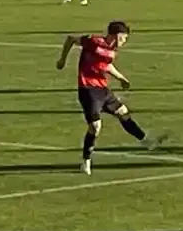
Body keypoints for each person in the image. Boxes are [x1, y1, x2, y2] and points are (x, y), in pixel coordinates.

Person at [56, 21, 160, 174]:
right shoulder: (94, 41)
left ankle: (145, 141)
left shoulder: (111, 51)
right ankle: (86, 161)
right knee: (95, 126)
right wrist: (62, 60)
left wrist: (121, 78)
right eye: (124, 38)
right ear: (117, 35)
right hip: (88, 90)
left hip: (102, 90)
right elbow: (71, 39)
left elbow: (106, 66)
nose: (124, 41)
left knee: (122, 112)